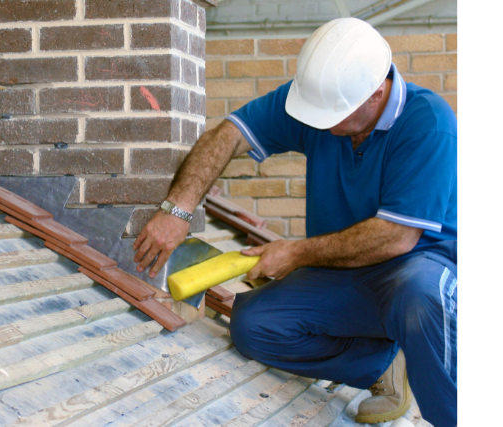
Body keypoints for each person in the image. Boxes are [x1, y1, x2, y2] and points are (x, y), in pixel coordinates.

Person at [133, 17, 457, 427]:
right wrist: (177, 209)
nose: (319, 125)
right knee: (254, 325)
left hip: (417, 268)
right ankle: (380, 363)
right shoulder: (319, 103)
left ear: (376, 94)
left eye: (332, 116)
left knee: (421, 298)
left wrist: (296, 253)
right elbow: (228, 134)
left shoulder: (428, 123)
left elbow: (395, 238)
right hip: (345, 269)